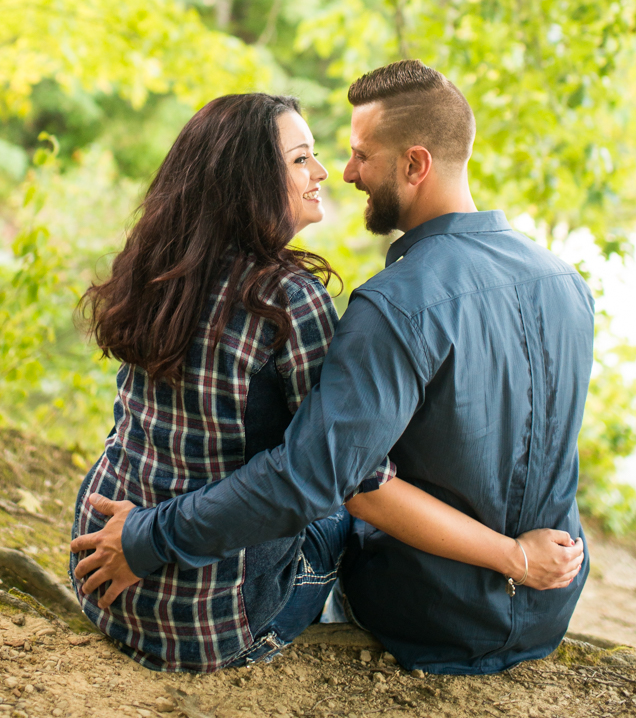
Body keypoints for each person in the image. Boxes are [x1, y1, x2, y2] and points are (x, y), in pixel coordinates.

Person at [71, 71, 588, 673]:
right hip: (546, 598)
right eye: (306, 157)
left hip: (103, 555)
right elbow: (333, 481)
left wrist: (148, 531)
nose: (338, 172)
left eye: (357, 155)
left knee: (339, 473)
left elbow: (317, 476)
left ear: (415, 165)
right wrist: (521, 560)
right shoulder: (567, 282)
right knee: (345, 483)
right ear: (252, 182)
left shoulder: (165, 272)